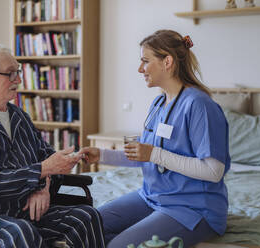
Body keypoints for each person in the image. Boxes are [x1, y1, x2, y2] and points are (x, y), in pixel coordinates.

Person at [0, 44, 105, 248]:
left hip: (25, 209)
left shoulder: (19, 117)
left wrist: (43, 187)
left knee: (86, 217)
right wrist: (41, 171)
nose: (18, 80)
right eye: (10, 74)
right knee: (21, 232)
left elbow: (47, 158)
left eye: (17, 72)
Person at [81, 30, 230, 248]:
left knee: (118, 246)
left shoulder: (199, 105)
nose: (140, 69)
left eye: (145, 61)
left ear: (167, 61)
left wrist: (154, 154)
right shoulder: (159, 104)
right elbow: (144, 154)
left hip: (192, 208)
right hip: (151, 197)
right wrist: (102, 154)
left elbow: (214, 171)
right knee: (85, 226)